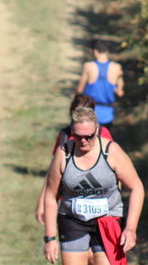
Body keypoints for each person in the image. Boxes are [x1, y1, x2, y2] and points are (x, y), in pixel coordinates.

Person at [43, 107, 144, 265]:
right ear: (72, 133)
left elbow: (137, 188)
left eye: (89, 136)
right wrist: (50, 238)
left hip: (108, 222)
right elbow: (49, 195)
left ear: (97, 131)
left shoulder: (111, 151)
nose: (84, 141)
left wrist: (130, 227)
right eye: (79, 136)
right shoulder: (64, 153)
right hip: (73, 221)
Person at [35, 94, 113, 225]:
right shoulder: (64, 136)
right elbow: (53, 174)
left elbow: (115, 169)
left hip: (99, 202)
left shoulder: (102, 135)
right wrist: (42, 203)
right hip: (70, 201)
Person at [76, 40, 124, 129]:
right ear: (107, 52)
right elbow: (120, 93)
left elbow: (79, 90)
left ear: (94, 51)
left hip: (89, 112)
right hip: (107, 114)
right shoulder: (117, 68)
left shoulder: (88, 66)